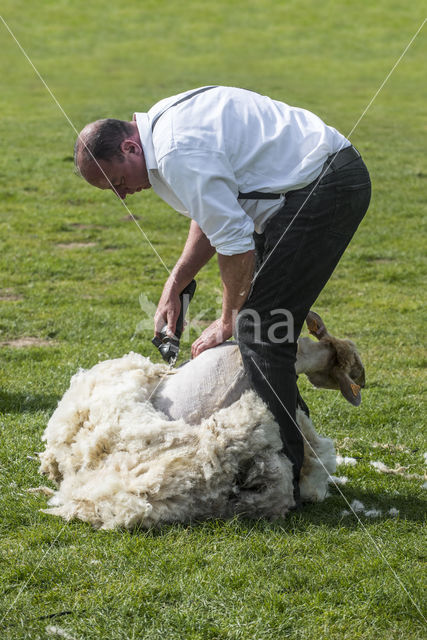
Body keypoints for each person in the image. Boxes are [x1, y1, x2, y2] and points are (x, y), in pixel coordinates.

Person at [74, 86, 371, 506]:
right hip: (306, 189)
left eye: (118, 182)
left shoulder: (176, 150)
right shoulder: (162, 131)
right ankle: (293, 452)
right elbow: (213, 212)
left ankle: (283, 481)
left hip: (323, 187)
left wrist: (229, 318)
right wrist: (175, 284)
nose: (122, 195)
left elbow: (235, 241)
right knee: (265, 330)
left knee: (259, 331)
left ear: (128, 146)